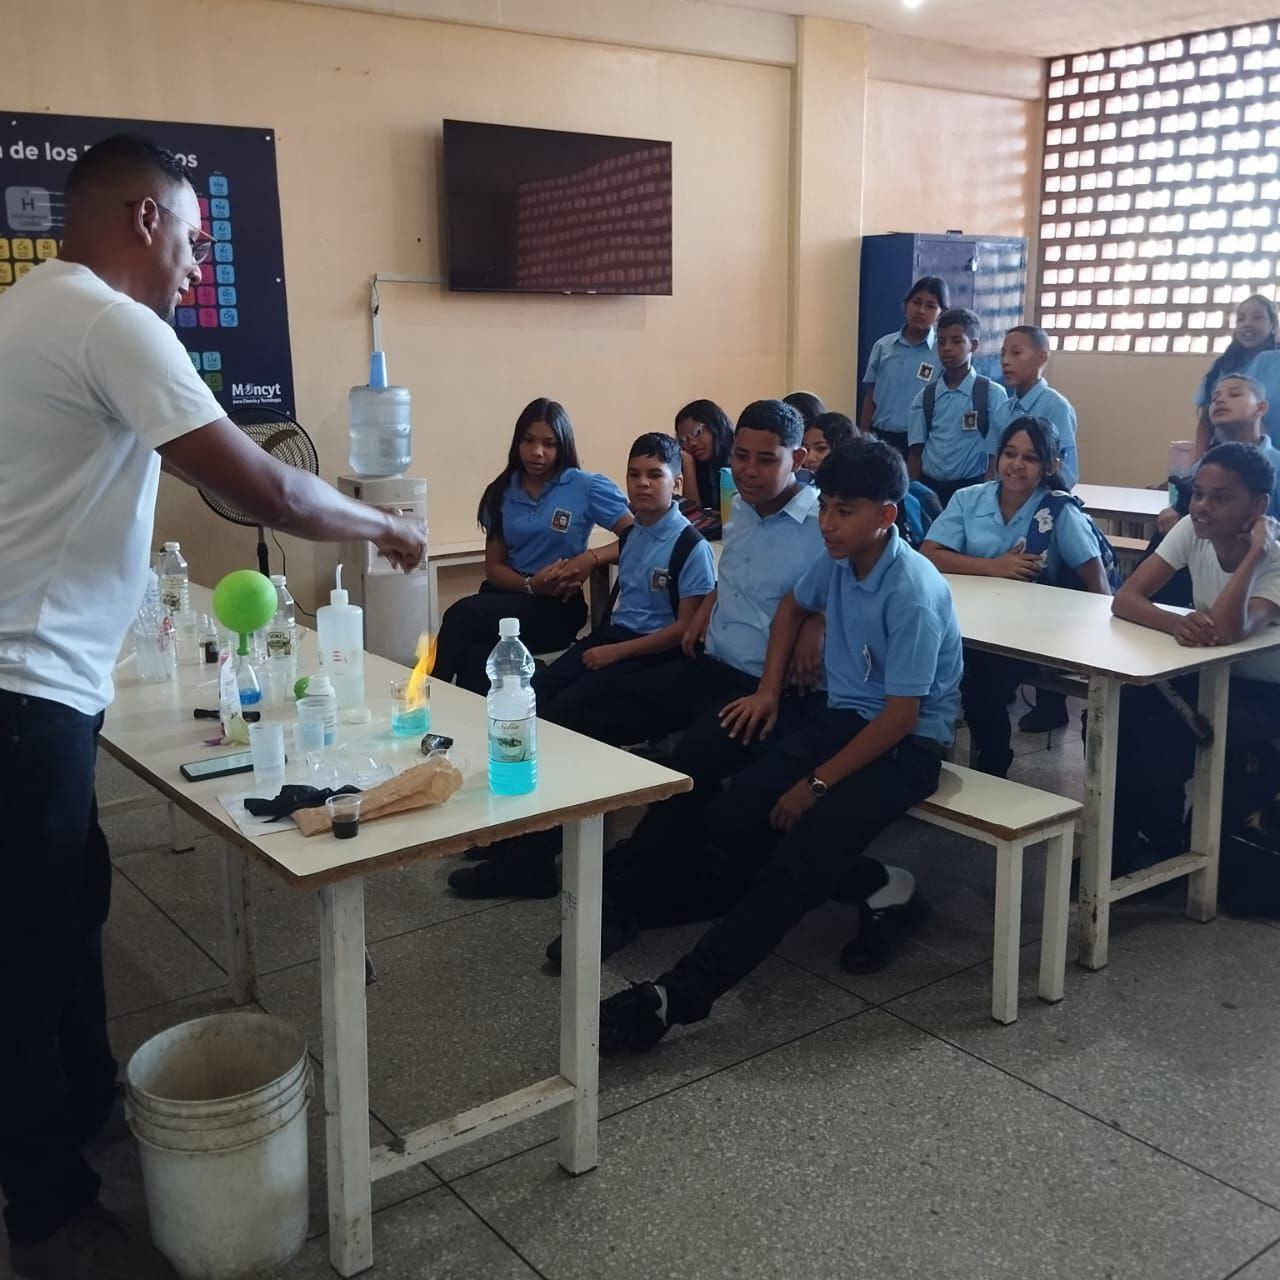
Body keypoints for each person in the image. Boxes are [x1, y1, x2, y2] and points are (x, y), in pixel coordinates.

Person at [0, 134, 426, 1280]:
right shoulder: (108, 321)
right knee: (26, 951)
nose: (196, 267)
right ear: (143, 219)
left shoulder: (31, 311)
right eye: (191, 240)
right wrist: (383, 525)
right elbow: (263, 485)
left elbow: (159, 474)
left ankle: (84, 1105)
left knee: (70, 900)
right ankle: (44, 1212)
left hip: (40, 684)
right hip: (21, 688)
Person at [597, 439, 964, 1054]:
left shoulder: (913, 593)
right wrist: (769, 688)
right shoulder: (841, 561)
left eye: (845, 511)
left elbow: (902, 718)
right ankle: (879, 883)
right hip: (843, 719)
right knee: (733, 810)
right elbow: (794, 604)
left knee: (798, 856)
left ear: (886, 515)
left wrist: (815, 785)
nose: (828, 524)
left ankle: (674, 999)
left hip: (906, 748)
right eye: (826, 508)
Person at [447, 432, 716, 898]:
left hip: (653, 657)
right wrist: (604, 643)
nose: (642, 484)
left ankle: (532, 863)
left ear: (676, 485)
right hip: (612, 640)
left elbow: (685, 630)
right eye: (634, 474)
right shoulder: (634, 535)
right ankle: (515, 831)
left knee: (566, 719)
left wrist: (616, 653)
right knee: (531, 701)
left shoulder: (690, 545)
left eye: (654, 475)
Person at [1111, 442, 1280, 872]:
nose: (1202, 506)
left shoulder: (1275, 558)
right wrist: (1175, 623)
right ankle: (1124, 846)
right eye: (1198, 493)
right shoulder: (1192, 528)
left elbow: (1226, 631)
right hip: (1209, 674)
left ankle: (1165, 849)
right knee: (1121, 710)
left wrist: (1255, 555)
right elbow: (1126, 598)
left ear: (1257, 507)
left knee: (1162, 742)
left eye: (1221, 497)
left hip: (1265, 694)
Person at [921, 418, 1111, 776]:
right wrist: (994, 567)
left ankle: (993, 762)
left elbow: (1098, 583)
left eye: (1031, 457)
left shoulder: (1058, 511)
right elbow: (930, 553)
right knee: (930, 663)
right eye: (1010, 453)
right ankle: (926, 753)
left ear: (1051, 466)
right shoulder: (968, 499)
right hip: (970, 623)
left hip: (1033, 635)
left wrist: (1093, 650)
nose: (1017, 465)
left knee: (984, 683)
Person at [432, 398, 632, 693]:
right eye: (528, 440)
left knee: (460, 615)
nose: (537, 452)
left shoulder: (585, 486)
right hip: (509, 595)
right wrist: (530, 585)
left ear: (563, 446)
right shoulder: (502, 490)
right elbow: (494, 567)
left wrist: (591, 558)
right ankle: (469, 715)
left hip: (557, 607)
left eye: (548, 444)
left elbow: (636, 536)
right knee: (475, 656)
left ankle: (427, 698)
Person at [983, 324, 1084, 732]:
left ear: (1042, 358)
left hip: (1044, 513)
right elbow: (993, 465)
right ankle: (1002, 675)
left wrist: (1040, 505)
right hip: (1007, 508)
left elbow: (1066, 472)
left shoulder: (1055, 405)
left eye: (1017, 352)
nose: (1007, 361)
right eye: (1004, 353)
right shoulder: (1004, 408)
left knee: (1048, 592)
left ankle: (1052, 699)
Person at [907, 307, 1009, 507]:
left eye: (956, 341)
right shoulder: (925, 397)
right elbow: (915, 453)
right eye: (941, 341)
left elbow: (997, 453)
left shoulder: (991, 394)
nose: (947, 348)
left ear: (973, 345)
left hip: (972, 490)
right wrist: (914, 494)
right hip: (930, 491)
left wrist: (990, 495)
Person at [860, 275, 949, 457]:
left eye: (931, 306)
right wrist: (863, 436)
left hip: (917, 442)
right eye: (916, 302)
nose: (921, 311)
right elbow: (871, 396)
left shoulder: (941, 353)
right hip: (879, 436)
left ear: (941, 313)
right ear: (906, 304)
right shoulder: (883, 346)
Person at [1192, 294, 1279, 458]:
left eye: (1257, 317)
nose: (1247, 324)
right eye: (1241, 319)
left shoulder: (1273, 363)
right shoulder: (1222, 366)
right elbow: (1205, 423)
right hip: (1229, 457)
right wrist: (1197, 465)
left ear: (1273, 325)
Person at [673, 398, 734, 513]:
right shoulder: (699, 464)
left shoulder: (739, 457)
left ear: (715, 426)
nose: (692, 443)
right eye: (684, 440)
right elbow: (694, 515)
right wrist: (688, 465)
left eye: (697, 432)